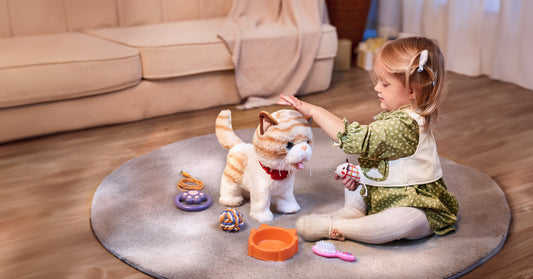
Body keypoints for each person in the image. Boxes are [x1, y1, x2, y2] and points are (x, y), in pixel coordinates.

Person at [277, 36, 459, 244]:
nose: (377, 88)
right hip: (387, 191)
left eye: (384, 83)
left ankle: (339, 226)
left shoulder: (404, 124)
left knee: (404, 222)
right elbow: (381, 161)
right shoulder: (399, 117)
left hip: (415, 203)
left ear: (411, 91)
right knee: (357, 168)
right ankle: (353, 210)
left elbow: (356, 140)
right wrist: (364, 176)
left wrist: (314, 111)